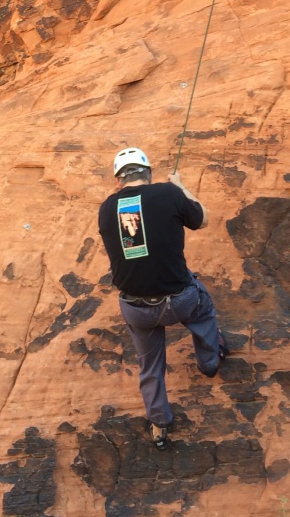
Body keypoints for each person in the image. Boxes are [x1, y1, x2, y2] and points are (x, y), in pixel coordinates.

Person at [97, 147, 228, 449]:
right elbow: (203, 219)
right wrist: (180, 185)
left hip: (137, 308)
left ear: (118, 181)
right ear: (149, 174)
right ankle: (209, 363)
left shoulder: (107, 209)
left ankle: (159, 422)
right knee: (203, 306)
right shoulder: (169, 193)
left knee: (149, 363)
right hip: (180, 300)